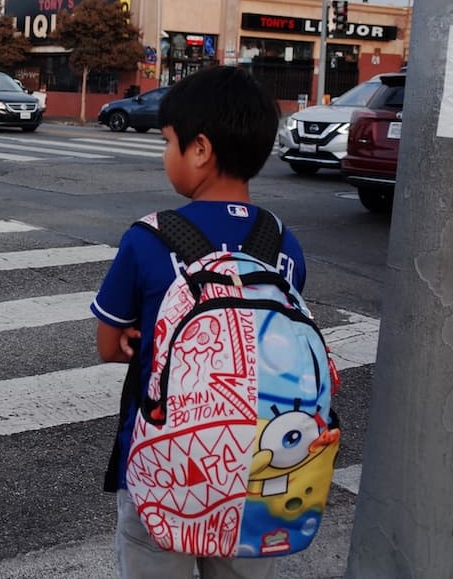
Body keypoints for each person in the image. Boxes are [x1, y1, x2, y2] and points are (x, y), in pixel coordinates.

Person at [93, 66, 306, 579]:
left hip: (163, 461)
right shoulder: (284, 243)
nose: (166, 154)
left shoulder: (148, 239)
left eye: (168, 142)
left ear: (201, 150)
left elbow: (107, 343)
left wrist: (131, 336)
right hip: (259, 462)